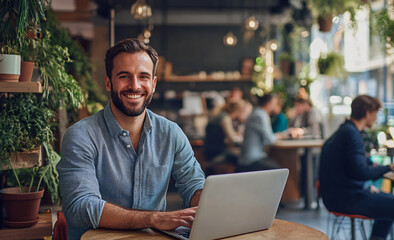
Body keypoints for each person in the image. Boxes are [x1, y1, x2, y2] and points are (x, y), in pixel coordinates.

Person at [57, 39, 205, 240]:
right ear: (109, 82)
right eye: (124, 76)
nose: (134, 86)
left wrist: (208, 201)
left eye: (143, 76)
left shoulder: (171, 133)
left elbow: (193, 184)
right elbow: (81, 206)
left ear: (153, 84)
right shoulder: (81, 135)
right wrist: (153, 219)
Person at [319, 95, 394, 240]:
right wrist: (390, 166)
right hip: (347, 200)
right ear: (368, 113)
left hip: (337, 195)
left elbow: (348, 166)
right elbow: (361, 172)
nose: (376, 118)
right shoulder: (352, 135)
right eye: (375, 113)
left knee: (390, 198)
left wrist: (368, 165)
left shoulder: (344, 130)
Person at [238, 94, 284, 171]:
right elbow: (269, 140)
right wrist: (279, 135)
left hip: (251, 157)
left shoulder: (257, 113)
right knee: (279, 171)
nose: (276, 106)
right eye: (274, 103)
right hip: (251, 159)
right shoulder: (260, 115)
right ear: (268, 104)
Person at [204, 99, 246, 173]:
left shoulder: (220, 115)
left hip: (209, 151)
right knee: (243, 158)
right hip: (216, 153)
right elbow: (233, 139)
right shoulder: (225, 118)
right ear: (237, 111)